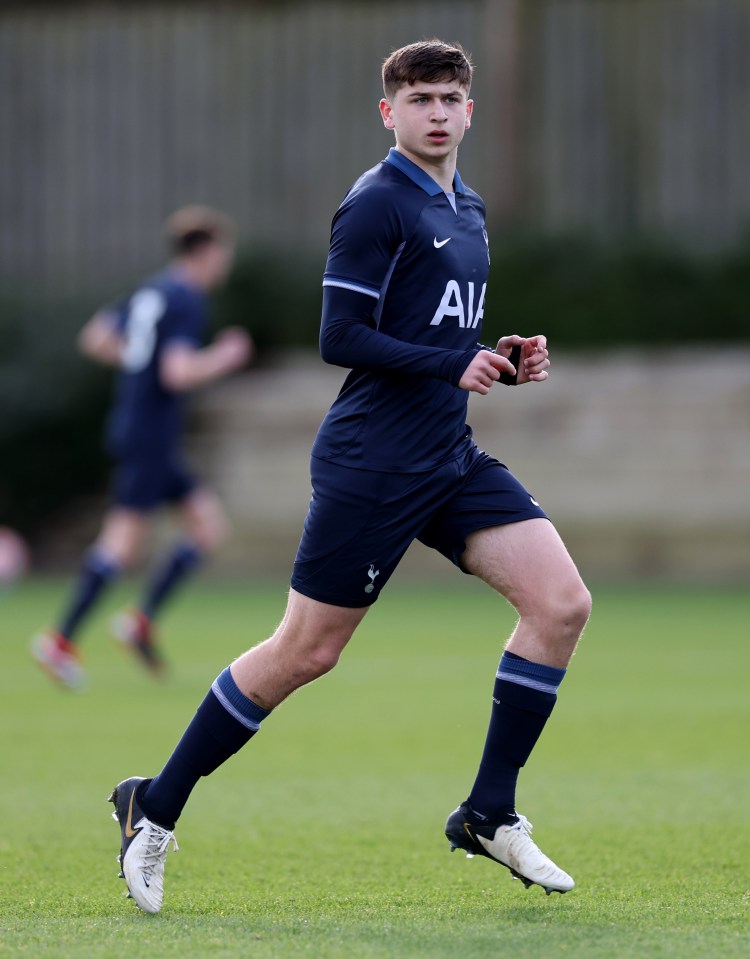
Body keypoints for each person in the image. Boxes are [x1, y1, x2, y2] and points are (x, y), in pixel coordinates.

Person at [108, 40, 592, 914]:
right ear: (389, 112)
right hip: (372, 461)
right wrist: (449, 366)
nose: (436, 113)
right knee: (305, 651)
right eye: (419, 100)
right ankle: (155, 803)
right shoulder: (374, 204)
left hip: (449, 455)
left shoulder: (469, 206)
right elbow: (341, 335)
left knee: (560, 603)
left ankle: (488, 811)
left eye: (450, 98)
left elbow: (439, 332)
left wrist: (501, 357)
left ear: (469, 110)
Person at [32, 206, 252, 690]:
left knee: (207, 526)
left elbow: (95, 337)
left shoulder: (153, 289)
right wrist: (224, 357)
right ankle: (60, 639)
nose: (224, 265)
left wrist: (136, 362)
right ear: (206, 252)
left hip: (145, 433)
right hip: (150, 436)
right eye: (222, 255)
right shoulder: (188, 299)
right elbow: (178, 372)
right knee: (121, 545)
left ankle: (140, 622)